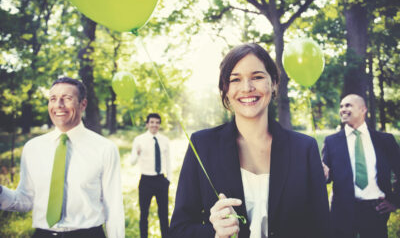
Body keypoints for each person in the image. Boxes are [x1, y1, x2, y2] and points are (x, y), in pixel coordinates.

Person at [169, 43, 330, 238]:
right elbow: (178, 230)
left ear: (274, 83)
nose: (247, 88)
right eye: (235, 79)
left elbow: (322, 229)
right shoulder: (202, 145)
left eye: (257, 77)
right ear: (225, 89)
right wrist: (214, 233)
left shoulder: (305, 148)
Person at [0, 77, 125, 238]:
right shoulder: (32, 148)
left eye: (67, 98)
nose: (58, 105)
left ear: (83, 104)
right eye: (53, 99)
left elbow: (113, 208)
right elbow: (25, 200)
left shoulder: (105, 148)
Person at [322, 94, 400, 238]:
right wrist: (324, 174)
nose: (343, 109)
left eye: (348, 105)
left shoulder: (385, 141)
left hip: (375, 210)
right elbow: (327, 176)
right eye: (341, 106)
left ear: (363, 109)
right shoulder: (331, 141)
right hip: (342, 212)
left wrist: (396, 201)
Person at [132, 113, 171, 238]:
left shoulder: (165, 140)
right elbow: (132, 162)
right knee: (144, 214)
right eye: (152, 122)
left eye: (157, 122)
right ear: (147, 124)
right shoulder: (139, 140)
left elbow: (168, 161)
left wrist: (168, 179)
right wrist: (137, 153)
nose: (154, 125)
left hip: (161, 180)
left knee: (164, 214)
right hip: (146, 181)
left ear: (159, 125)